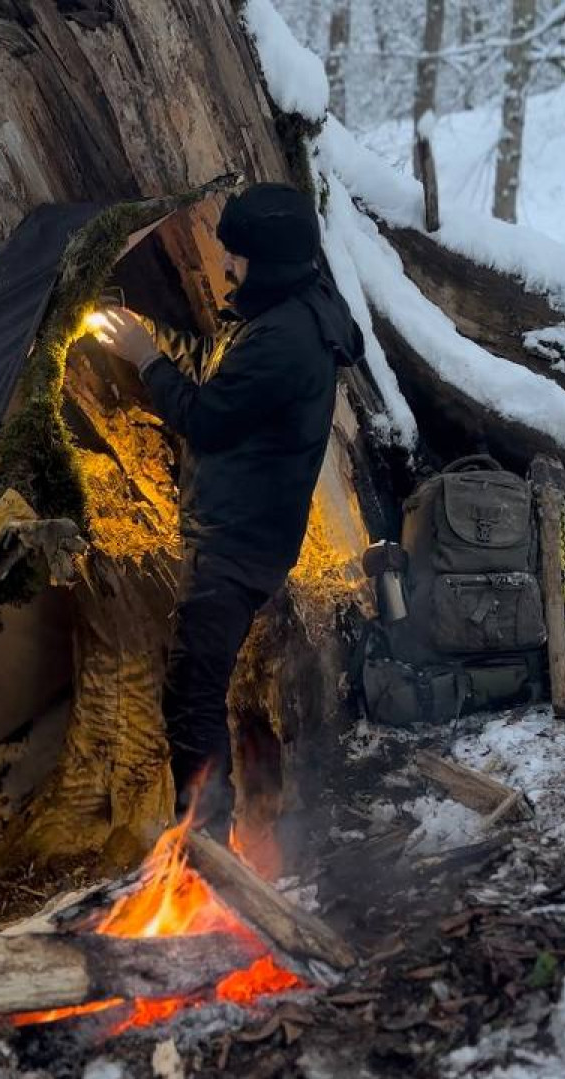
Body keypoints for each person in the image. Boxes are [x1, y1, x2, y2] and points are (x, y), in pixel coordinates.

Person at [92, 183, 364, 831]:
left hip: (239, 545)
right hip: (242, 532)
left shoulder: (286, 338)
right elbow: (224, 374)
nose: (227, 267)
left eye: (237, 256)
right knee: (195, 688)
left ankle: (204, 848)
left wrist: (145, 358)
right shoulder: (284, 309)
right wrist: (147, 336)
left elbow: (207, 417)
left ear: (267, 260)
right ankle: (206, 840)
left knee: (192, 696)